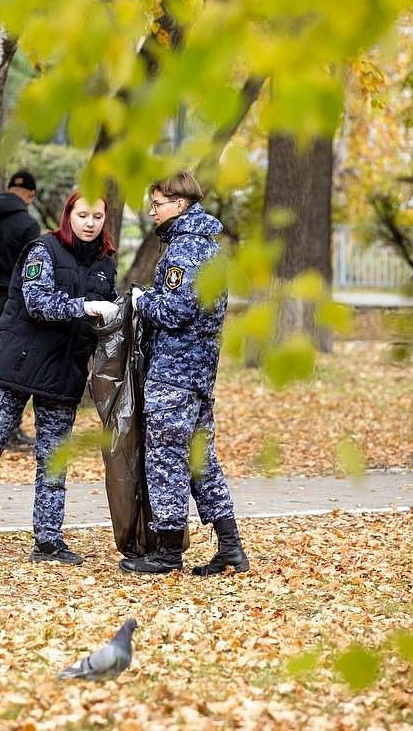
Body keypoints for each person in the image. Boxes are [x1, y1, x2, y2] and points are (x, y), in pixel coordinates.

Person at [0, 190, 119, 565]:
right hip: (16, 367)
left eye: (98, 217)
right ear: (68, 215)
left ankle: (48, 539)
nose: (90, 223)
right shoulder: (43, 250)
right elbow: (37, 303)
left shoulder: (106, 265)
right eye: (83, 215)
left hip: (63, 374)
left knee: (53, 459)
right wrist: (85, 307)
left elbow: (110, 315)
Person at [120, 171, 249, 577]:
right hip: (198, 376)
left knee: (166, 460)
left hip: (173, 373)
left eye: (158, 204)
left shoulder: (182, 252)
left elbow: (175, 312)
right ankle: (230, 546)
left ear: (180, 205)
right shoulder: (211, 249)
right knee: (201, 461)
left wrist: (143, 301)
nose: (153, 211)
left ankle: (168, 551)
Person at [0, 170, 41, 370]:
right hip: (8, 298)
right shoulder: (28, 225)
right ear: (31, 196)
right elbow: (29, 269)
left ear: (8, 190)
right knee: (1, 357)